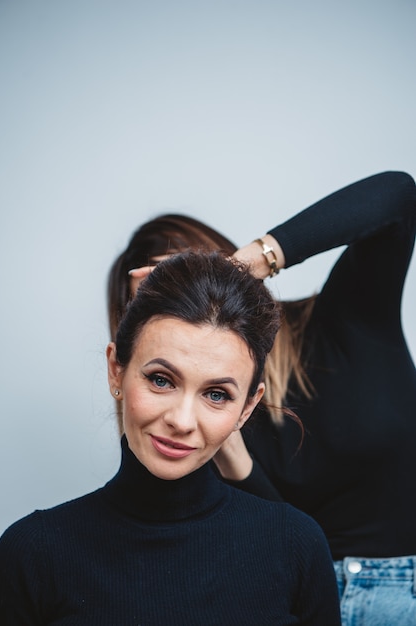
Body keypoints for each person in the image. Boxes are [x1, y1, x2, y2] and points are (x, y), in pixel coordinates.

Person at [107, 171, 416, 626]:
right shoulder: (194, 424)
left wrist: (239, 272)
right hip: (293, 602)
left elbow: (398, 196)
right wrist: (226, 442)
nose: (182, 304)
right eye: (158, 302)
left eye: (185, 279)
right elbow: (279, 536)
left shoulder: (345, 319)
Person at [0, 251, 341, 625]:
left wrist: (261, 255)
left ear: (246, 407)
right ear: (116, 370)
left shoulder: (296, 546)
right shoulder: (32, 553)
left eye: (216, 394)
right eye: (161, 380)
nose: (181, 421)